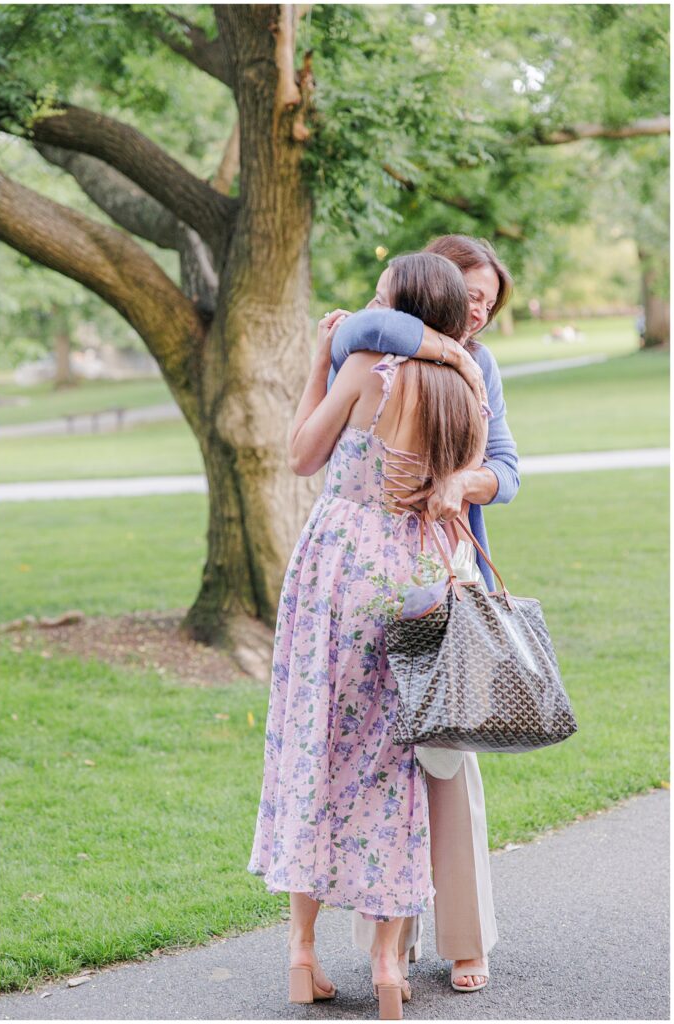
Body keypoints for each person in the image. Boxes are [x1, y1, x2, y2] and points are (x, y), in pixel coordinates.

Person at [248, 251, 490, 1018]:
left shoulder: (367, 372)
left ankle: (301, 954)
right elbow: (459, 486)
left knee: (312, 747)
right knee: (394, 770)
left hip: (337, 572)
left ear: (404, 309)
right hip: (414, 575)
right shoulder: (467, 391)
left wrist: (321, 358)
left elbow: (299, 455)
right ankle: (387, 967)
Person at [329, 234, 520, 993]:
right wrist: (431, 336)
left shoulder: (478, 366)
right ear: (434, 285)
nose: (478, 312)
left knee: (446, 754)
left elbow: (506, 470)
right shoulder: (379, 343)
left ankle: (465, 938)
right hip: (369, 581)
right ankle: (389, 945)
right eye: (468, 294)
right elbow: (354, 329)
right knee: (380, 759)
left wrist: (464, 483)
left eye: (488, 305)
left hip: (444, 575)